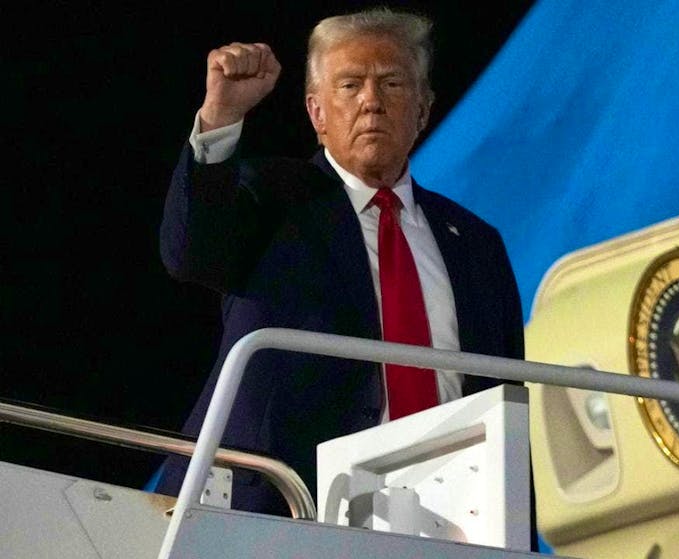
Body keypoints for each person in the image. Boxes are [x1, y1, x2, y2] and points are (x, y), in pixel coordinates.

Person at [156, 7, 524, 518]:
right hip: (287, 507)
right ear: (317, 113)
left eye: (392, 83)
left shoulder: (476, 245)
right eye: (350, 85)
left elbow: (507, 400)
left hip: (450, 516)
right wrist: (221, 118)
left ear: (422, 109)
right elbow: (189, 251)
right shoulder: (273, 201)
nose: (371, 101)